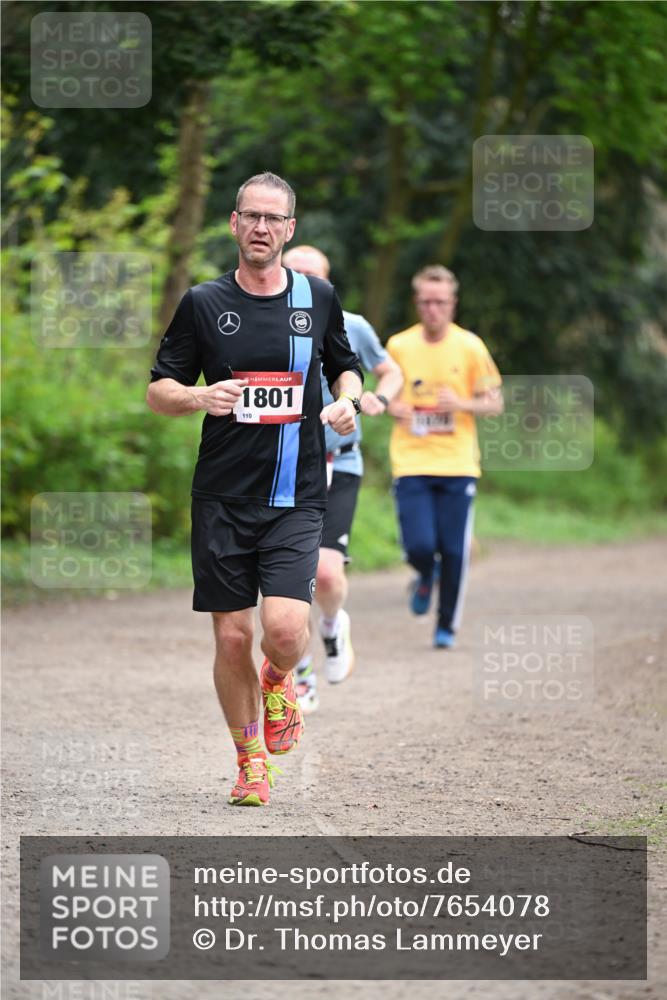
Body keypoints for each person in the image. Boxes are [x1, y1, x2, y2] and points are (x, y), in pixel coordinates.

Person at [146, 172, 363, 806]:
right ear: (235, 224)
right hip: (221, 497)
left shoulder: (317, 297)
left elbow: (344, 366)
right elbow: (159, 390)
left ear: (290, 229)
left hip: (296, 494)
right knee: (232, 636)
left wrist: (349, 403)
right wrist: (198, 395)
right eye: (251, 217)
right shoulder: (203, 303)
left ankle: (279, 679)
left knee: (287, 632)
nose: (262, 228)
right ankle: (250, 763)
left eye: (274, 218)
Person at [281, 246, 403, 713]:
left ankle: (333, 625)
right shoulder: (267, 324)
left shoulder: (351, 324)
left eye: (314, 276)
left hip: (339, 463)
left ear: (328, 283)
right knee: (288, 581)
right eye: (297, 273)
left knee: (327, 573)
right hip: (285, 465)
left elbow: (387, 371)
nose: (305, 282)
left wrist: (380, 399)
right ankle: (301, 673)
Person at [386, 265, 503, 649]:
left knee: (454, 550)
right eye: (425, 302)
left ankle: (446, 625)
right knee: (418, 545)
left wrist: (462, 403)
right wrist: (394, 407)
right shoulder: (399, 345)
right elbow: (385, 393)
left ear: (452, 303)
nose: (432, 309)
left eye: (440, 302)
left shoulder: (470, 346)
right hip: (411, 459)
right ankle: (425, 572)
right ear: (417, 303)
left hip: (457, 462)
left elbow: (494, 403)